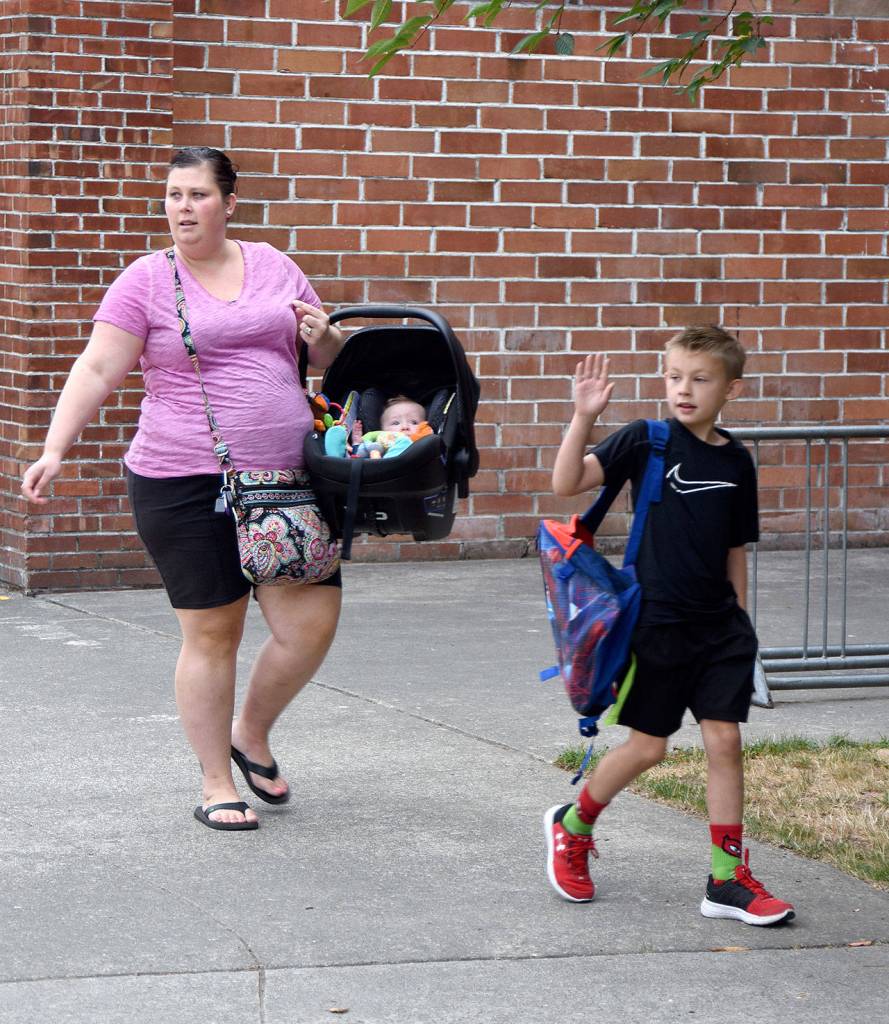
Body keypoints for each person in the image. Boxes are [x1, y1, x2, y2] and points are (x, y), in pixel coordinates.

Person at [21, 146, 345, 832]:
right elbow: (99, 367)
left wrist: (327, 340)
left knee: (310, 623)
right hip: (182, 480)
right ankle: (215, 781)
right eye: (173, 195)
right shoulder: (145, 280)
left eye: (197, 194)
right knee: (212, 631)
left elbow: (319, 356)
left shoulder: (274, 265)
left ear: (229, 202)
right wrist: (55, 447)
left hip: (284, 479)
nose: (183, 208)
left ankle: (249, 731)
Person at [543, 326, 795, 926]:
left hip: (720, 629)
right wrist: (583, 417)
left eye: (700, 379)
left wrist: (743, 622)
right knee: (648, 747)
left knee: (725, 741)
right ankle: (572, 825)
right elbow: (565, 484)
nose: (684, 389)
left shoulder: (737, 461)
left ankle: (726, 878)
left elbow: (736, 547)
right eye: (674, 376)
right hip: (657, 626)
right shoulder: (647, 440)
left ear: (731, 388)